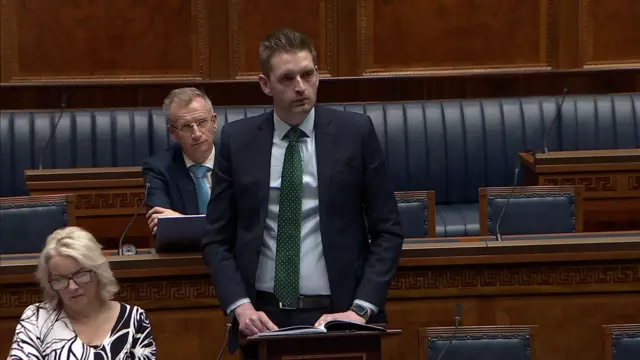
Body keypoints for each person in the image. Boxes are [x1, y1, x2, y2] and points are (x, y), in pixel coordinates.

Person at [201, 28, 404, 357]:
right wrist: (241, 307)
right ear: (265, 84)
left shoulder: (355, 133)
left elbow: (388, 231)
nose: (300, 87)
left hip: (341, 316)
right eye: (287, 78)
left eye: (308, 74)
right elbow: (216, 238)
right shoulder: (238, 141)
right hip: (263, 319)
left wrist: (361, 309)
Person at [7, 226, 156, 360]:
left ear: (98, 272)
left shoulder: (134, 319)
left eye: (80, 275)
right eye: (60, 279)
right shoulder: (36, 319)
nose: (72, 287)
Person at [142, 87, 218, 235]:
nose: (196, 134)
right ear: (173, 133)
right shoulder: (158, 169)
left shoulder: (236, 159)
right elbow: (162, 228)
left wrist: (182, 223)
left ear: (214, 121)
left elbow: (248, 224)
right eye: (186, 126)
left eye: (201, 122)